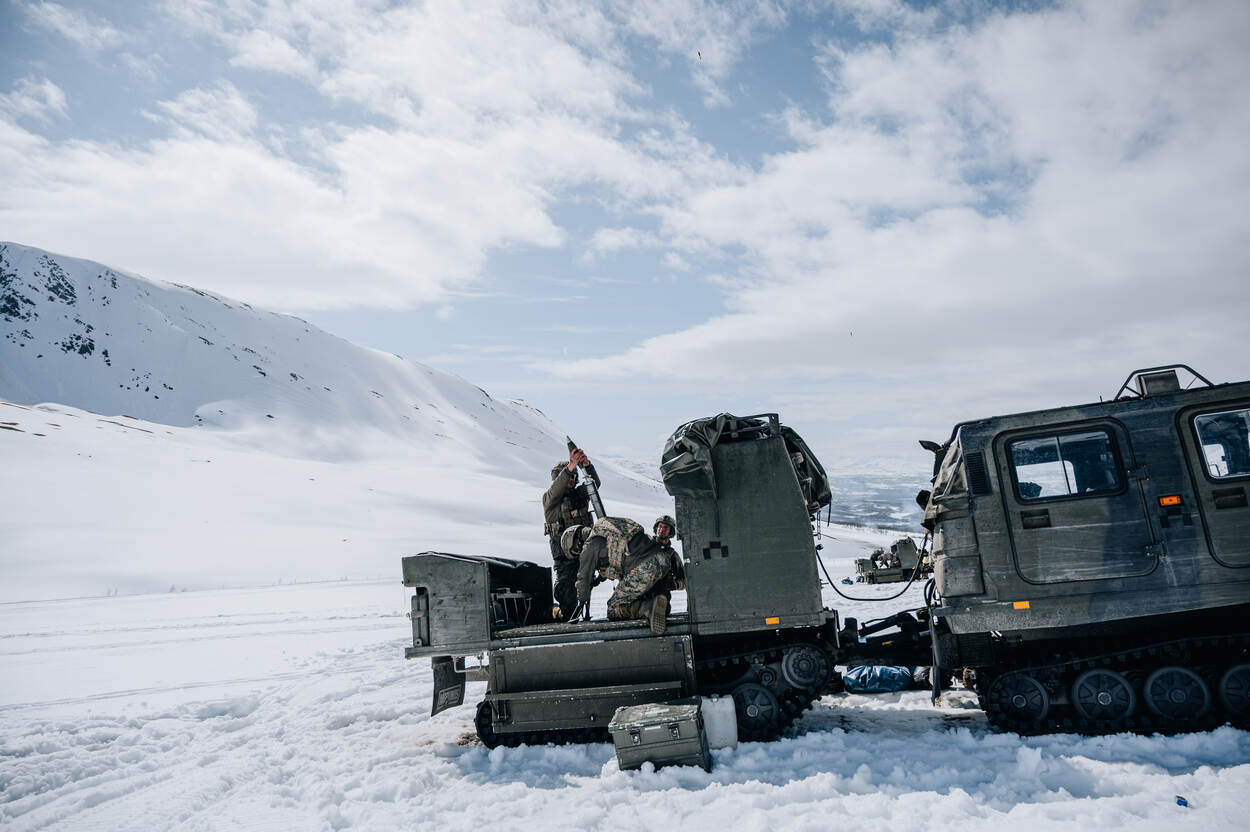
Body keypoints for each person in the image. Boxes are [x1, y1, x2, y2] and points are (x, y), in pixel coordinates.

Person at [564, 515, 684, 636]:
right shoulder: (606, 529)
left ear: (576, 541)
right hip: (655, 565)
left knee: (613, 609)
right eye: (660, 526)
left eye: (575, 550)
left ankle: (647, 608)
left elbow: (583, 578)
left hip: (645, 571)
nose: (578, 553)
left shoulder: (589, 545)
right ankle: (656, 606)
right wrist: (600, 578)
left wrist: (581, 600)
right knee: (647, 597)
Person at [543, 447, 600, 621]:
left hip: (584, 554)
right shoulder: (550, 500)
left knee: (584, 588)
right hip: (564, 559)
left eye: (574, 476)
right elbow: (557, 488)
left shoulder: (580, 496)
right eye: (568, 476)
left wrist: (586, 465)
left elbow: (594, 484)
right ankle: (557, 613)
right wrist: (571, 465)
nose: (571, 479)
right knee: (566, 597)